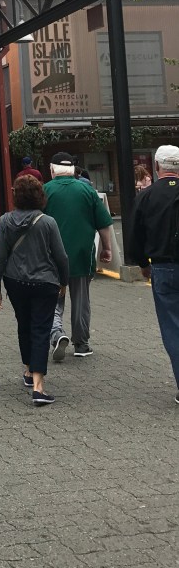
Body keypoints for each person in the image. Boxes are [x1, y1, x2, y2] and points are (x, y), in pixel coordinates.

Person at [0, 175, 69, 405]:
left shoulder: (5, 221)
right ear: (39, 196)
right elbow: (61, 257)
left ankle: (28, 370)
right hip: (45, 282)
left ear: (16, 196)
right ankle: (38, 387)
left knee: (24, 325)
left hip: (14, 282)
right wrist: (64, 281)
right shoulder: (48, 222)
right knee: (41, 329)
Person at [44, 151, 113, 360]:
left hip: (50, 257)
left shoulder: (45, 190)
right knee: (81, 300)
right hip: (81, 255)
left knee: (52, 300)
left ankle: (57, 334)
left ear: (52, 169)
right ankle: (81, 344)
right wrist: (107, 248)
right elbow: (103, 223)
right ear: (73, 170)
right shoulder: (87, 190)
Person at [130, 145, 179, 405]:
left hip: (162, 266)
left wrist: (143, 263)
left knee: (172, 327)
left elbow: (135, 235)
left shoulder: (146, 196)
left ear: (157, 167)